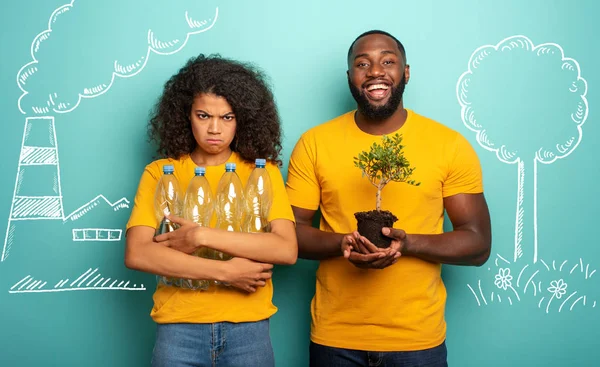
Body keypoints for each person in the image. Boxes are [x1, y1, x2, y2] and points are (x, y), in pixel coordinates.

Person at [285, 30, 492, 366]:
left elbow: (478, 243)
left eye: (388, 61)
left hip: (417, 340)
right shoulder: (315, 143)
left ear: (405, 72)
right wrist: (344, 244)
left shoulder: (448, 146)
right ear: (350, 77)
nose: (375, 71)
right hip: (335, 338)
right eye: (362, 63)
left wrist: (406, 243)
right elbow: (288, 232)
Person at [125, 54, 297, 367]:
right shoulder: (161, 173)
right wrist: (225, 272)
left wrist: (201, 236)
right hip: (178, 328)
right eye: (203, 116)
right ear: (185, 116)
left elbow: (285, 249)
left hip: (249, 328)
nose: (214, 129)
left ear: (242, 118)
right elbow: (138, 253)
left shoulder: (262, 172)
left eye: (227, 117)